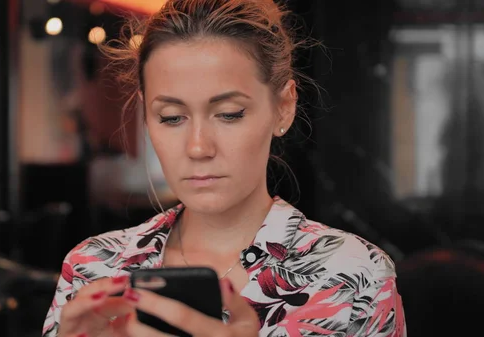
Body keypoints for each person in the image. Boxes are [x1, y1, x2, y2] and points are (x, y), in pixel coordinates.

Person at [42, 0, 407, 336]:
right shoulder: (93, 269)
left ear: (283, 107)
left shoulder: (356, 276)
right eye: (171, 117)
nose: (199, 147)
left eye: (229, 114)